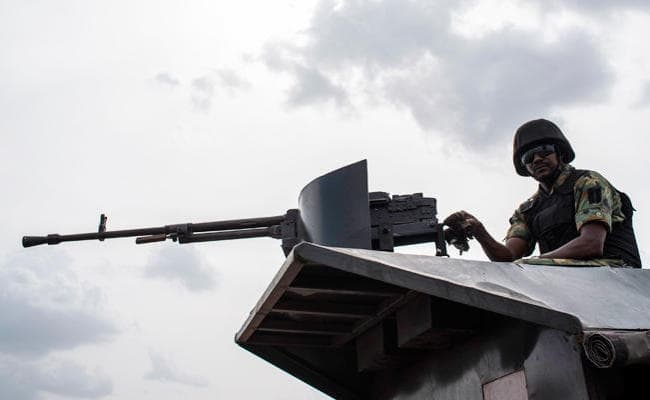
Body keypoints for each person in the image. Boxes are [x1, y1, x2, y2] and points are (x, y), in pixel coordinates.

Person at [445, 118, 641, 267]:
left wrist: (533, 263)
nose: (537, 159)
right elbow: (508, 258)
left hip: (615, 272)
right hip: (562, 280)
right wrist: (478, 230)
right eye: (528, 157)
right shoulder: (528, 210)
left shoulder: (588, 183)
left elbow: (591, 244)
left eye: (544, 151)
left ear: (560, 153)